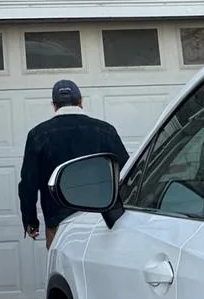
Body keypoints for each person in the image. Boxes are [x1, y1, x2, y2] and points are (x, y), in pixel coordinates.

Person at [19, 78, 129, 248]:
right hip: (102, 222)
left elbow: (28, 184)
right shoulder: (105, 130)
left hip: (59, 224)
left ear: (54, 105)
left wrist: (31, 221)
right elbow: (127, 173)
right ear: (80, 101)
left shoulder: (38, 135)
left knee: (62, 272)